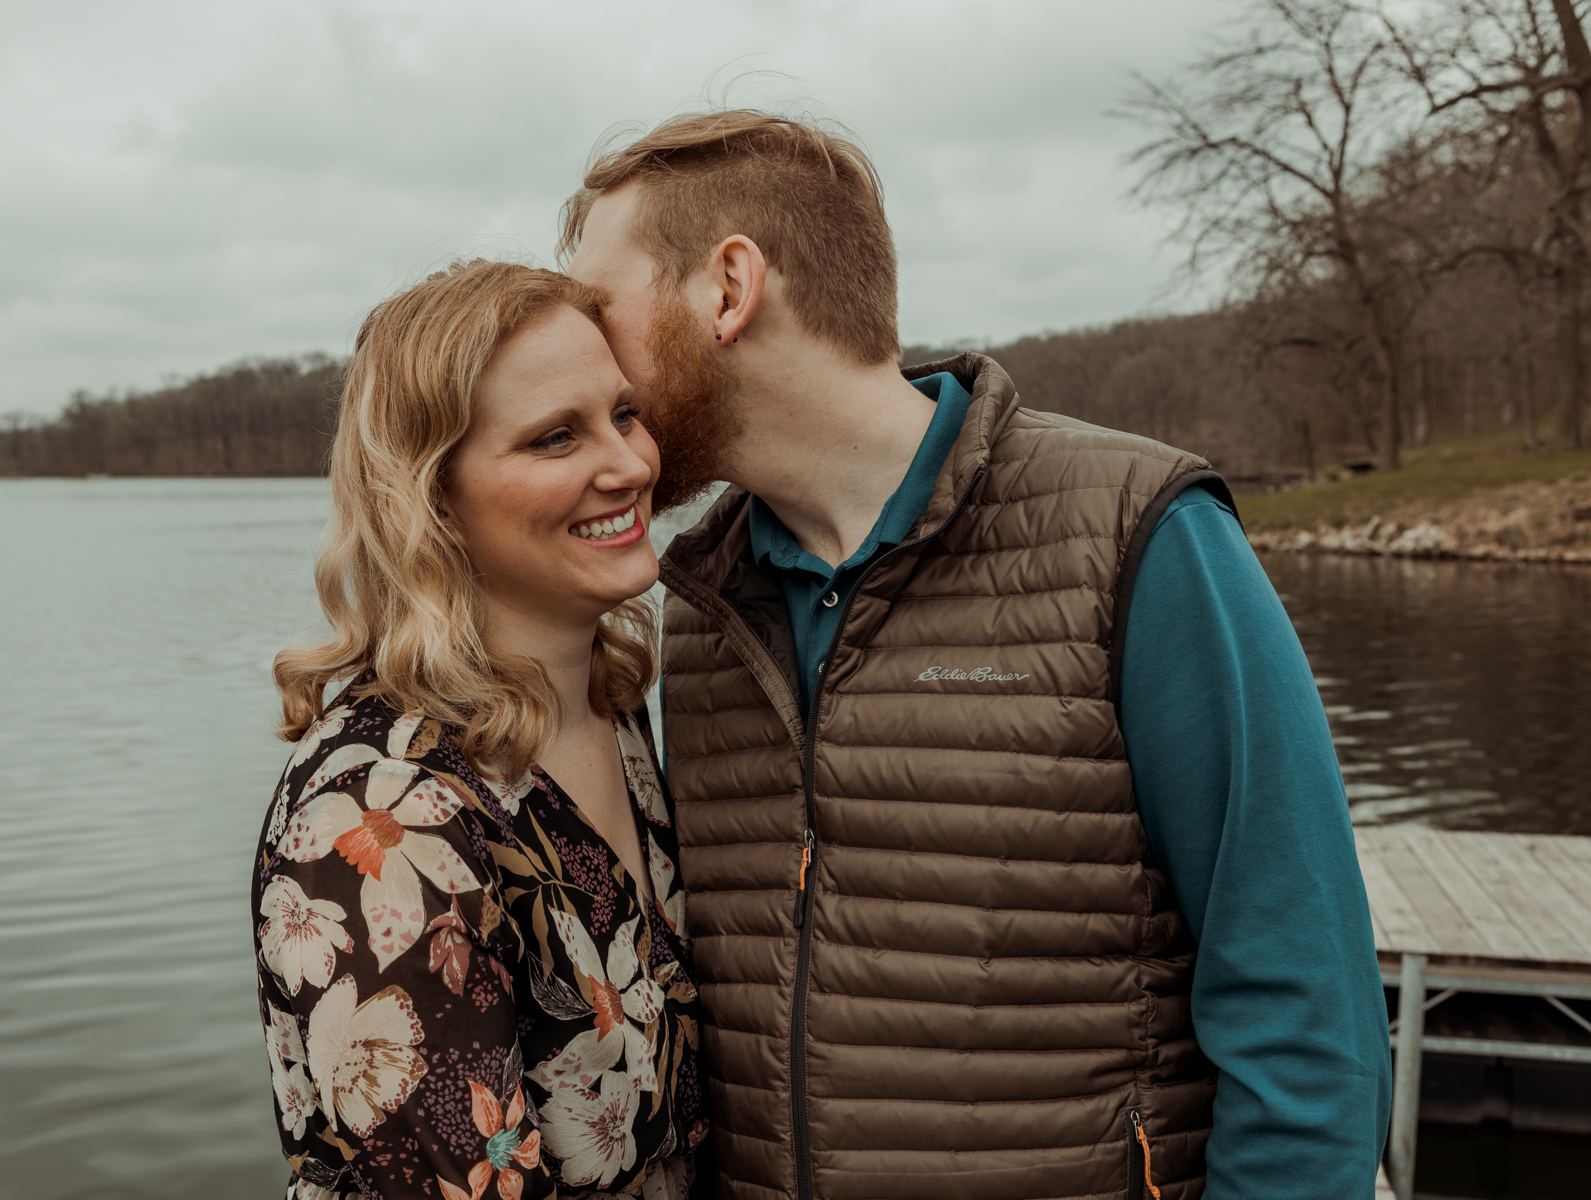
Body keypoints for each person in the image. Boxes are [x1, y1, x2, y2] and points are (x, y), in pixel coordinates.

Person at [561, 111, 1393, 1200]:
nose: (577, 352)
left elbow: (1307, 1013)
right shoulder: (703, 608)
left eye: (595, 308)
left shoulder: (1138, 534)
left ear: (728, 288)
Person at [252, 261, 706, 1200]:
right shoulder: (379, 819)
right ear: (433, 500)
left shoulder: (611, 704)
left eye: (624, 414)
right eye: (553, 438)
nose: (629, 465)